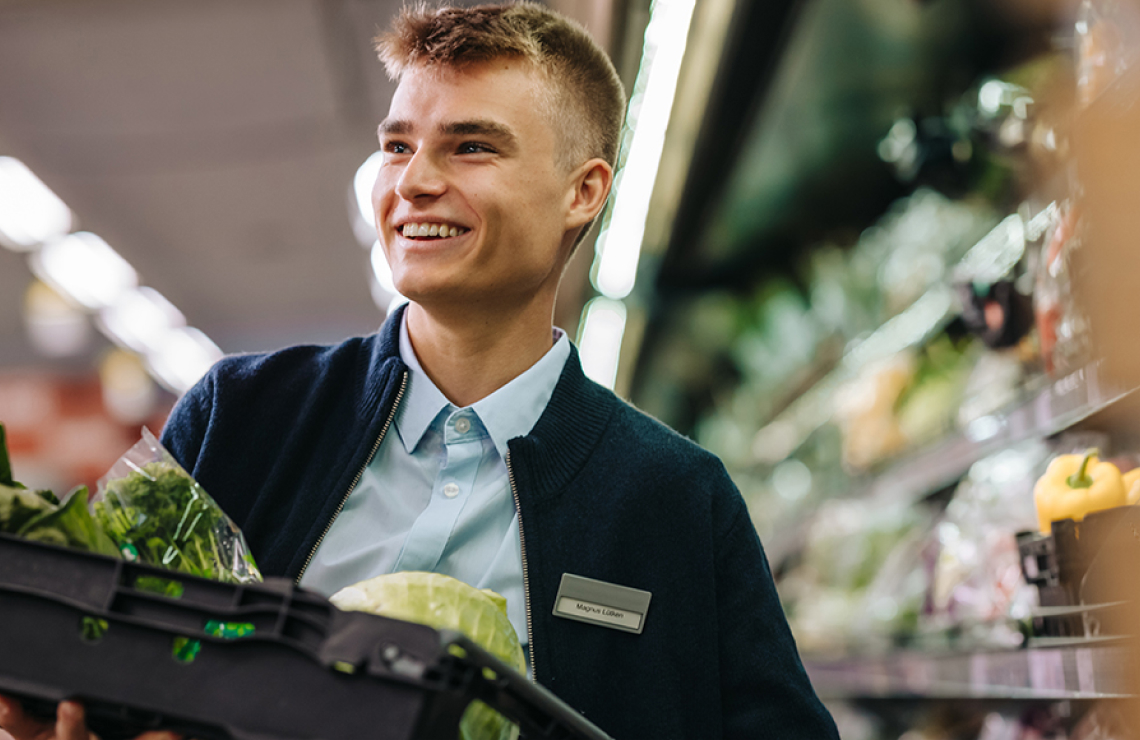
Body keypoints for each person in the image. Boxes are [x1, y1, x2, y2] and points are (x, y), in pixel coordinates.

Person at [0, 3, 837, 738]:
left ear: (583, 192)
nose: (414, 182)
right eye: (398, 146)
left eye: (471, 147)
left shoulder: (677, 501)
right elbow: (105, 654)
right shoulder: (244, 415)